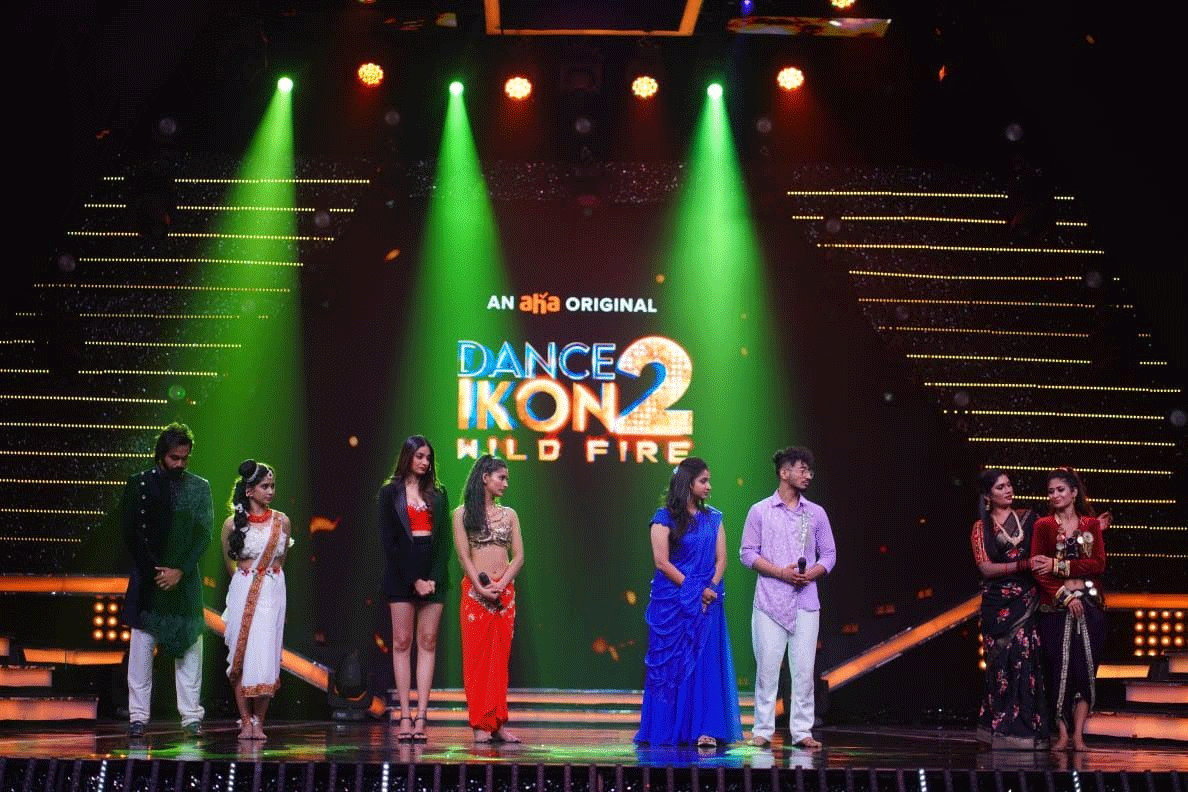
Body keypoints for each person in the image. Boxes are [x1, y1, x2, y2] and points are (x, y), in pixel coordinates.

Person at [636, 457, 743, 748]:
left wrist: (710, 588)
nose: (709, 486)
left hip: (708, 601)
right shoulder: (663, 517)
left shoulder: (714, 518)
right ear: (688, 483)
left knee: (705, 664)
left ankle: (705, 729)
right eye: (703, 481)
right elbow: (661, 562)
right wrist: (695, 589)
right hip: (673, 602)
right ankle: (668, 729)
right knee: (670, 667)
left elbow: (721, 560)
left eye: (709, 481)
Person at [739, 447, 836, 749]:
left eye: (810, 470)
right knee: (767, 669)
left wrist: (812, 573)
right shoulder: (760, 511)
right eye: (802, 469)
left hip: (805, 601)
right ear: (784, 473)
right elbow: (747, 553)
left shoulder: (816, 513)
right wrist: (781, 573)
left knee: (804, 671)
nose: (808, 475)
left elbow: (829, 554)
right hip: (769, 601)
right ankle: (762, 729)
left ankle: (802, 731)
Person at [121, 423, 213, 738]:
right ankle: (138, 717)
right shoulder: (138, 484)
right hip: (149, 578)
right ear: (161, 455)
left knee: (190, 646)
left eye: (185, 458)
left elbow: (204, 534)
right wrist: (156, 572)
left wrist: (180, 571)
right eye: (175, 458)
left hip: (184, 580)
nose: (180, 464)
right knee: (142, 648)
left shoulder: (199, 487)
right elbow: (131, 532)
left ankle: (191, 717)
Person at [378, 436, 451, 743]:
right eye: (420, 456)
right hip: (401, 574)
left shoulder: (438, 493)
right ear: (407, 456)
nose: (425, 462)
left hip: (433, 573)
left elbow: (444, 540)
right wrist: (413, 580)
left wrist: (432, 578)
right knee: (402, 641)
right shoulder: (389, 492)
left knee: (428, 641)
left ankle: (422, 715)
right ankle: (404, 715)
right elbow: (389, 542)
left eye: (428, 457)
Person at [1030, 467, 1108, 752]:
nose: (1055, 495)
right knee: (1057, 669)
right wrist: (1065, 597)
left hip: (1089, 605)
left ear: (1074, 492)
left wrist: (1057, 565)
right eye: (1051, 491)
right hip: (1056, 607)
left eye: (1060, 490)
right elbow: (1038, 569)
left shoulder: (1091, 525)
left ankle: (1078, 735)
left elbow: (1097, 564)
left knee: (1084, 669)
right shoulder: (1043, 526)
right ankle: (1061, 735)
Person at [970, 469, 1048, 749]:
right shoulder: (981, 528)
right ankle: (1000, 730)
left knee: (1025, 661)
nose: (1008, 490)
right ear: (988, 495)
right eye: (1000, 487)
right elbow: (985, 568)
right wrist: (1023, 565)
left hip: (1025, 602)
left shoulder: (1030, 519)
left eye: (1009, 485)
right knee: (1000, 666)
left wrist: (1093, 528)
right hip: (996, 606)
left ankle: (1025, 731)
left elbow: (1056, 539)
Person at [451, 455, 524, 743]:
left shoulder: (510, 515)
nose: (505, 484)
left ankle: (498, 723)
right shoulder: (461, 514)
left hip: (504, 595)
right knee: (477, 660)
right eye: (501, 478)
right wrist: (481, 589)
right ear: (485, 478)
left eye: (507, 479)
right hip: (475, 594)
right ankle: (480, 724)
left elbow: (519, 556)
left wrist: (502, 583)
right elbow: (463, 557)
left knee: (500, 661)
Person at [220, 460, 291, 741]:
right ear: (249, 491)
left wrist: (265, 578)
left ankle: (259, 721)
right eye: (265, 486)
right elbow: (230, 564)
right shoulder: (232, 524)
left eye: (272, 486)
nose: (270, 491)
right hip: (243, 590)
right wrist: (249, 580)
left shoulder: (282, 521)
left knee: (266, 655)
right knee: (241, 653)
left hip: (271, 593)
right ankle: (245, 720)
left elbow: (281, 560)